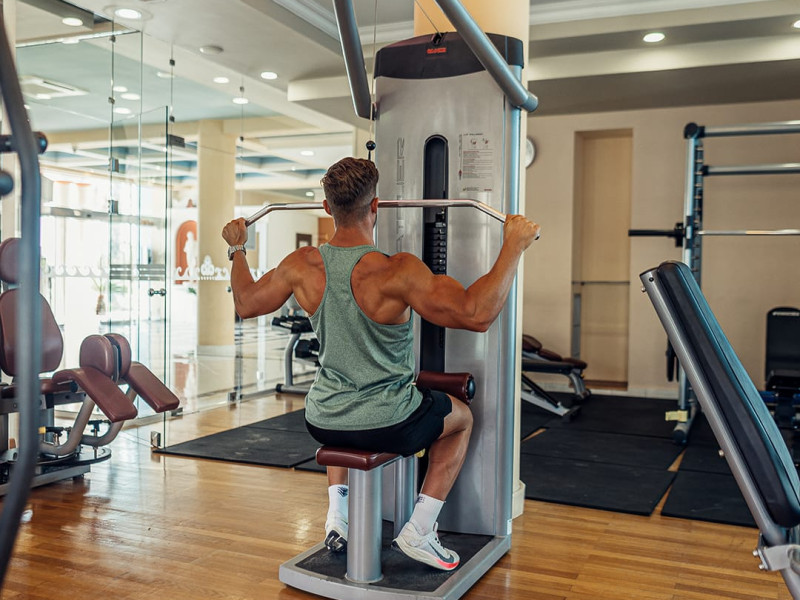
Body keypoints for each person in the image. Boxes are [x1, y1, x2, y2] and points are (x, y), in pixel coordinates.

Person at [222, 157, 539, 571]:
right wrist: (513, 247)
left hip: (322, 418)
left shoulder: (301, 265)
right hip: (389, 421)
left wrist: (237, 248)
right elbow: (476, 314)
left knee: (343, 408)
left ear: (327, 208)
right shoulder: (397, 271)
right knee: (461, 416)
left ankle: (338, 518)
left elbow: (245, 303)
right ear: (375, 207)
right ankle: (419, 529)